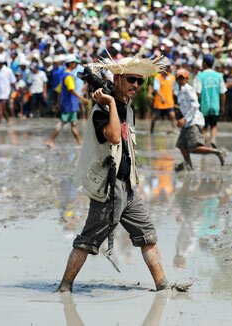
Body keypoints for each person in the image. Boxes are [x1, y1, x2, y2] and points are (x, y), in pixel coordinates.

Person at [57, 55, 169, 293]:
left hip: (127, 186)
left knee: (148, 236)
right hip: (109, 188)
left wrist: (115, 104)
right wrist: (109, 104)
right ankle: (65, 287)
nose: (136, 86)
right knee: (87, 241)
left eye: (139, 82)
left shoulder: (127, 109)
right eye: (131, 80)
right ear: (117, 79)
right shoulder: (101, 110)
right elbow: (115, 136)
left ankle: (163, 286)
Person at [174, 68, 226, 171]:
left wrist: (184, 119)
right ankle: (189, 166)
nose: (181, 80)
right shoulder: (179, 92)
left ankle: (218, 152)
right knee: (181, 145)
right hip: (187, 122)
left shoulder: (188, 89)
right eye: (179, 78)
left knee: (194, 147)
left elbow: (195, 105)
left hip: (193, 121)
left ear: (187, 79)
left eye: (182, 78)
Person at [45, 55, 89, 149]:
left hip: (68, 103)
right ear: (71, 64)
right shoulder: (69, 77)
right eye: (75, 63)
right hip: (70, 104)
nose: (77, 64)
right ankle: (50, 140)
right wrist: (83, 99)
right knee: (62, 123)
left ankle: (79, 142)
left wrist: (58, 103)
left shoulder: (64, 75)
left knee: (73, 124)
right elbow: (71, 90)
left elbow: (59, 90)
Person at [194, 54, 227, 147]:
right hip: (216, 105)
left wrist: (194, 106)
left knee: (204, 127)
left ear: (204, 63)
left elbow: (198, 92)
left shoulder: (200, 76)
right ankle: (213, 140)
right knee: (214, 125)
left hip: (204, 105)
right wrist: (222, 106)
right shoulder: (219, 76)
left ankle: (203, 143)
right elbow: (223, 92)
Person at [150, 63, 176, 133]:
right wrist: (162, 97)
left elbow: (173, 89)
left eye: (168, 68)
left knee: (172, 116)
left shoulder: (172, 77)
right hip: (159, 101)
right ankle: (151, 131)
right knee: (155, 117)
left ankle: (175, 131)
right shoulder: (158, 77)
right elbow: (156, 89)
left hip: (169, 101)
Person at [0, 54, 15, 126]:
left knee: (0, 107)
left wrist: (16, 90)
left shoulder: (8, 71)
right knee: (3, 109)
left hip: (6, 92)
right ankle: (8, 120)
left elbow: (12, 82)